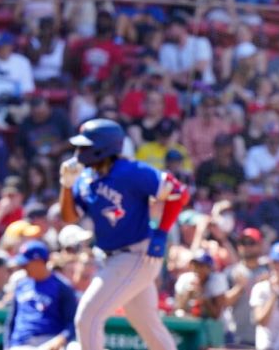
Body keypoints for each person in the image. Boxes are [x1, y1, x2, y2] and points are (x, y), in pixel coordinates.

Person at [58, 118, 190, 350]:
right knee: (147, 325)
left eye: (85, 147)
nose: (79, 152)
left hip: (137, 254)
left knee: (87, 319)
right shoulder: (86, 178)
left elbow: (179, 192)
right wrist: (66, 186)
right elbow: (70, 217)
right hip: (113, 258)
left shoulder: (131, 171)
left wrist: (161, 232)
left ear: (104, 148)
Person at [5, 241, 77, 350]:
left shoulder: (61, 286)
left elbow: (72, 323)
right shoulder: (21, 285)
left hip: (49, 342)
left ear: (38, 262)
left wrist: (61, 339)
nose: (23, 267)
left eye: (26, 264)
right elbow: (11, 322)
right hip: (20, 343)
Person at [224, 228, 270, 347]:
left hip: (262, 339)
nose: (246, 246)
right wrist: (240, 287)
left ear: (260, 246)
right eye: (243, 243)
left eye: (251, 243)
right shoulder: (231, 272)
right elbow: (223, 303)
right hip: (235, 337)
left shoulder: (269, 273)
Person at [174, 250, 227, 348]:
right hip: (188, 329)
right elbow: (178, 308)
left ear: (209, 268)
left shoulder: (217, 281)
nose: (197, 269)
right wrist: (188, 294)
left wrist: (203, 296)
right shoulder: (185, 279)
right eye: (195, 265)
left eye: (201, 266)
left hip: (212, 329)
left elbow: (216, 315)